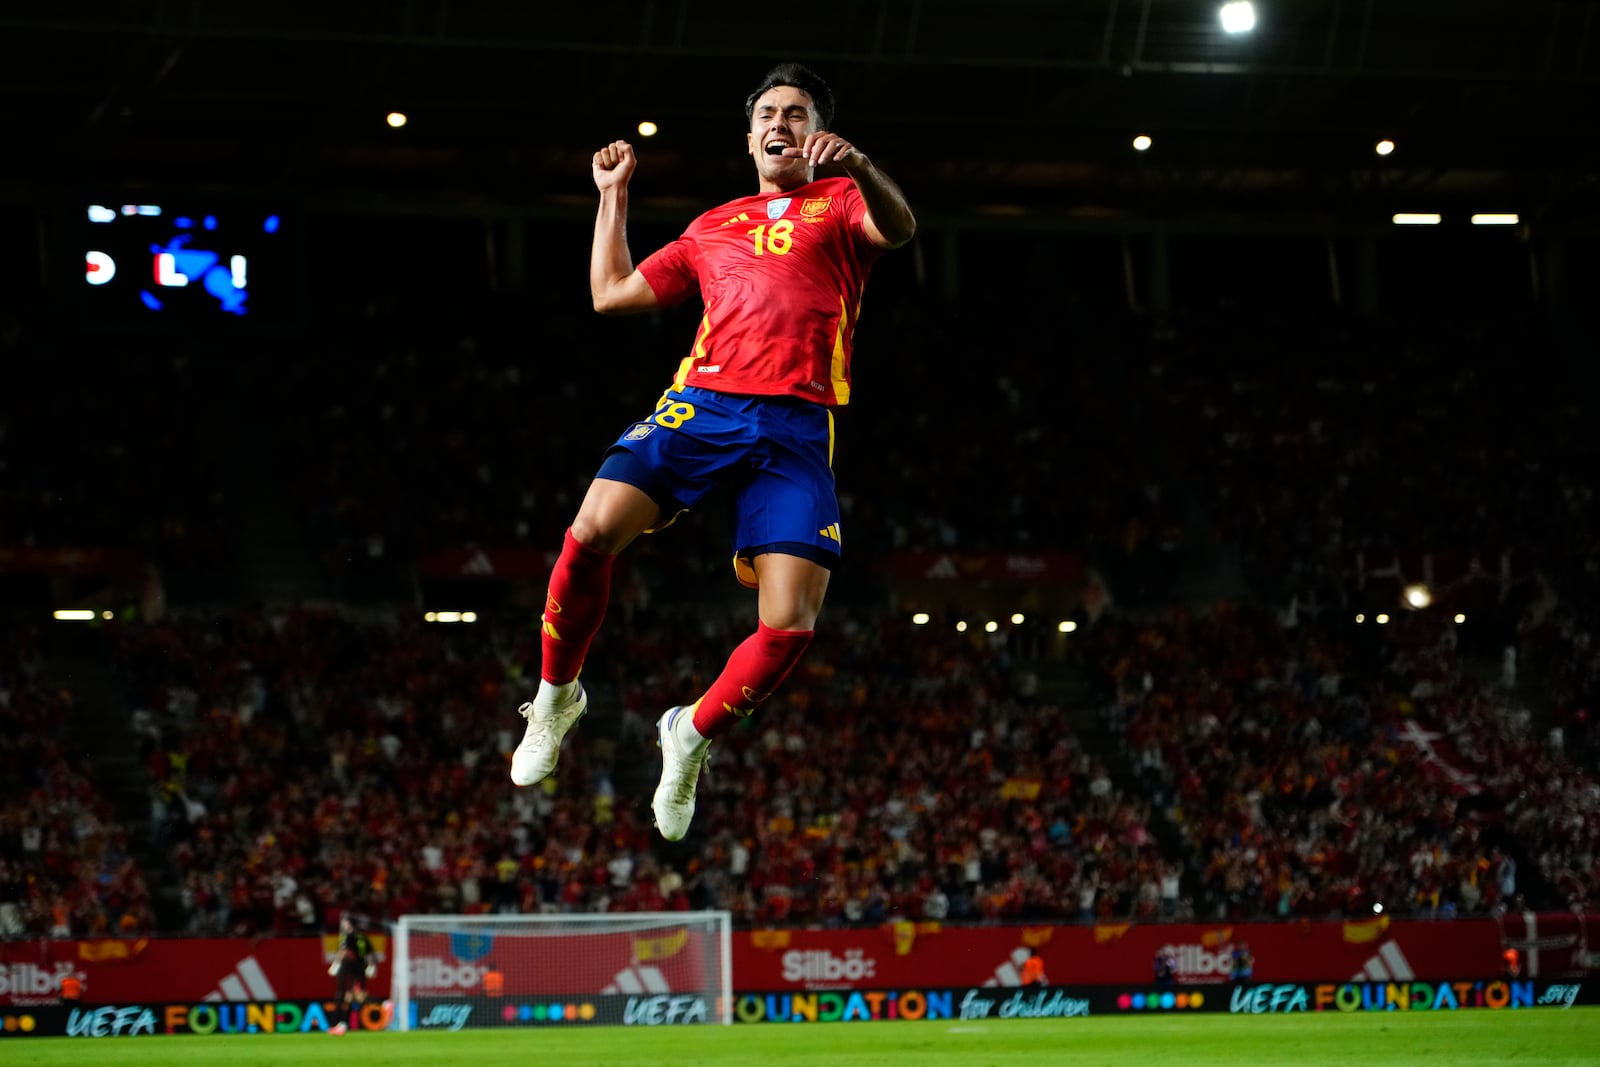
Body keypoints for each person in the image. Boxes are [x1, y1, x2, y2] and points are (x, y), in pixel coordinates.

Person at [509, 62, 916, 842]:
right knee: (591, 530)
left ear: (816, 132)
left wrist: (861, 166)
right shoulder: (711, 226)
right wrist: (612, 196)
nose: (781, 123)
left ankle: (688, 733)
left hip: (797, 425)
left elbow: (900, 229)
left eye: (797, 113)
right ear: (751, 135)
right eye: (769, 112)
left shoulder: (843, 205)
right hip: (703, 406)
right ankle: (557, 695)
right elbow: (612, 293)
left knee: (790, 624)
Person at [329, 915, 375, 1013]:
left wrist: (336, 964)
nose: (342, 925)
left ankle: (343, 1017)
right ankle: (363, 1016)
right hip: (361, 966)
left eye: (344, 923)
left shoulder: (345, 937)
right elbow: (370, 953)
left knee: (345, 992)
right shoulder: (363, 937)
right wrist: (371, 966)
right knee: (360, 991)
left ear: (349, 924)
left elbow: (343, 951)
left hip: (348, 966)